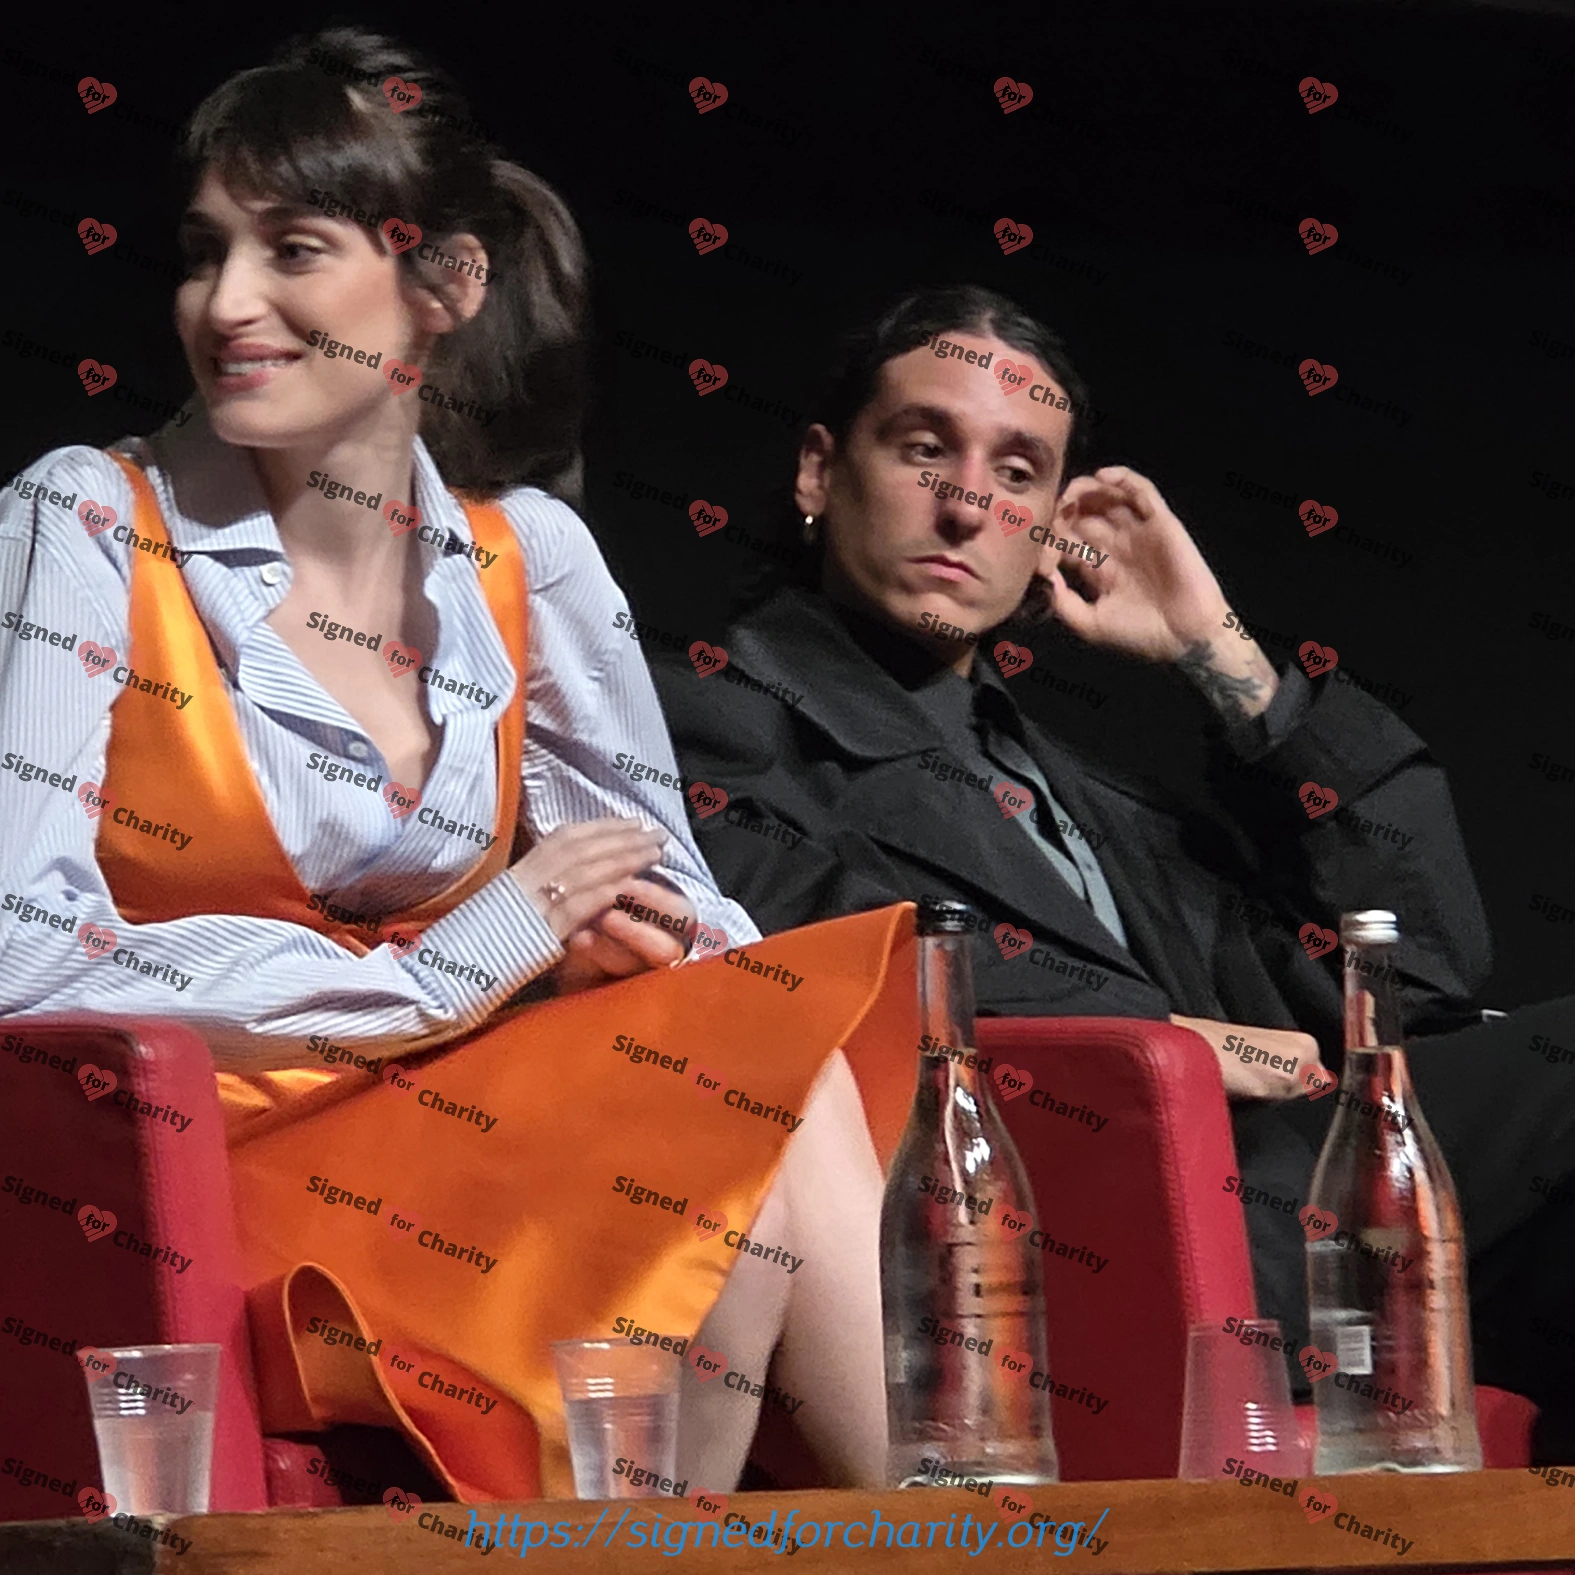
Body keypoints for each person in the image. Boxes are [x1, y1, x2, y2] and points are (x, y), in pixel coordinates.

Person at [0, 26, 907, 1501]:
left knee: (757, 1070)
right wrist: (452, 968)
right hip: (200, 1173)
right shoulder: (89, 521)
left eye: (294, 251)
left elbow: (669, 897)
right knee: (735, 1141)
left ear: (446, 287)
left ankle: (946, 1528)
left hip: (459, 1128)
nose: (225, 304)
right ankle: (972, 1530)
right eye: (206, 252)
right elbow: (20, 952)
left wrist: (615, 951)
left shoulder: (525, 556)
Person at [652, 283, 1575, 1457]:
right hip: (1051, 1245)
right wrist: (1174, 1036)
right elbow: (827, 952)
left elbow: (1420, 970)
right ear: (819, 473)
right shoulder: (706, 717)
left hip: (1279, 1221)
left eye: (1019, 472)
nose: (968, 502)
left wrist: (1222, 656)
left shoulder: (1091, 797)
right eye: (925, 449)